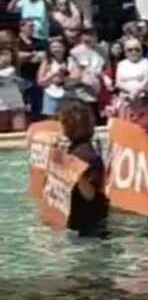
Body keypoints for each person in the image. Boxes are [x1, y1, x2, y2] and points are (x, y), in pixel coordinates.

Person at [58, 99, 108, 237]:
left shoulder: (85, 156)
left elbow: (90, 195)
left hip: (88, 227)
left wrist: (79, 175)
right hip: (86, 222)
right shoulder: (79, 150)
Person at [37, 37, 81, 119]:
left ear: (64, 48)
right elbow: (40, 81)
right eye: (53, 47)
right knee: (51, 118)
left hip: (68, 94)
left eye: (59, 47)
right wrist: (54, 74)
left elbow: (77, 77)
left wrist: (64, 78)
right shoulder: (47, 62)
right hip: (51, 93)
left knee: (68, 118)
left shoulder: (71, 60)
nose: (56, 49)